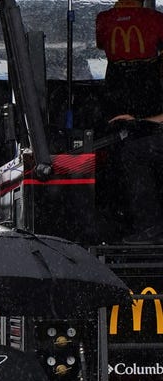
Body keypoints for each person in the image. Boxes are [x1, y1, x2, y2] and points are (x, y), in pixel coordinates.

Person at [96, 0, 163, 242]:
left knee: (133, 153)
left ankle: (150, 228)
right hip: (142, 117)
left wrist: (141, 121)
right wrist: (140, 121)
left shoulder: (106, 19)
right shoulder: (153, 25)